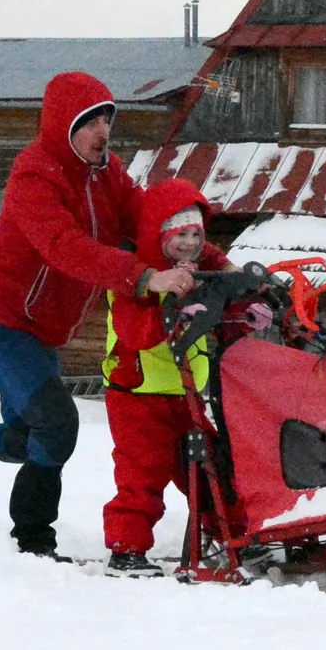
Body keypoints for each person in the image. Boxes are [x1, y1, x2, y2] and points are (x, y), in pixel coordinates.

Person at [0, 71, 197, 558]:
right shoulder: (35, 174)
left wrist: (209, 259)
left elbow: (148, 224)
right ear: (61, 125)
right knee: (56, 425)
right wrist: (144, 277)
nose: (101, 133)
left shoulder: (107, 174)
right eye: (88, 122)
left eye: (106, 120)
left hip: (41, 331)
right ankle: (33, 543)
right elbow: (64, 247)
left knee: (24, 439)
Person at [97, 179, 234, 575]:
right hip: (137, 392)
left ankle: (229, 533)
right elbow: (136, 333)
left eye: (196, 234)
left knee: (210, 462)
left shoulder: (195, 269)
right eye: (179, 235)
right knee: (144, 468)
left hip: (183, 391)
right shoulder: (135, 276)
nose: (190, 243)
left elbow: (219, 285)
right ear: (159, 234)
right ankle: (127, 548)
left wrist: (240, 307)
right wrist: (172, 310)